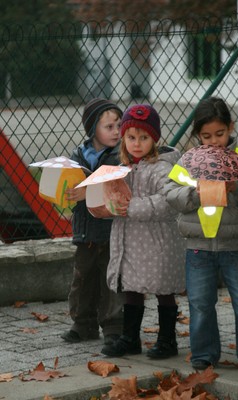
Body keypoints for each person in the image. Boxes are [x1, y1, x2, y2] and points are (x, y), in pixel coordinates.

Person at [164, 97, 238, 370]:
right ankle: (204, 355)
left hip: (236, 246)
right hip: (197, 247)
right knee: (200, 303)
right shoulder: (188, 160)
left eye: (220, 134)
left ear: (230, 127)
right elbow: (170, 192)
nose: (214, 141)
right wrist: (193, 194)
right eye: (206, 136)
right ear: (197, 134)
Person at [101, 104, 185, 359]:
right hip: (130, 242)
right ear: (124, 139)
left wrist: (132, 207)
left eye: (144, 137)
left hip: (158, 242)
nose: (137, 143)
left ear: (155, 139)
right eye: (131, 137)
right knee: (132, 288)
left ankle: (167, 340)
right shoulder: (123, 168)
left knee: (163, 289)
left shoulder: (162, 168)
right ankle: (130, 338)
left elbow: (168, 202)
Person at [61, 98, 124, 345]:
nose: (117, 132)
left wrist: (88, 191)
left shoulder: (119, 156)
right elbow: (71, 187)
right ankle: (83, 324)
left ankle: (113, 328)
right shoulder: (78, 156)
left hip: (110, 231)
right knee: (82, 279)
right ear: (92, 129)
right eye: (109, 127)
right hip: (85, 231)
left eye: (118, 125)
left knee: (110, 281)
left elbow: (118, 189)